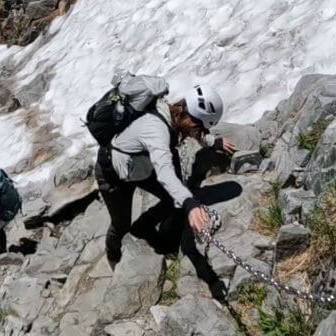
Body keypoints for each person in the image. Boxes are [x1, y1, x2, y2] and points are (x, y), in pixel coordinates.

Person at [94, 81, 237, 277]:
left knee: (172, 200)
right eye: (200, 129)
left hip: (140, 163)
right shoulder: (158, 131)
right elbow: (164, 172)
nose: (199, 134)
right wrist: (190, 203)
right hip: (113, 175)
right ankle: (113, 255)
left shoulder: (173, 112)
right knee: (121, 224)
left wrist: (213, 142)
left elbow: (192, 130)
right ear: (192, 122)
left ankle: (143, 227)